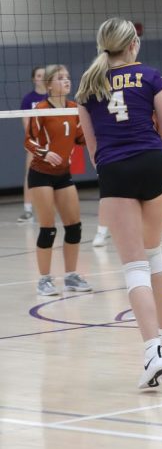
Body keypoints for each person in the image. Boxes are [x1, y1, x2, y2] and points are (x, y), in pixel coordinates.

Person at [75, 18, 162, 389]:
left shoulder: (87, 87)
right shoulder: (152, 76)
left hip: (116, 170)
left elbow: (92, 149)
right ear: (133, 45)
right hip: (154, 165)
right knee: (154, 255)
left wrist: (112, 173)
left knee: (134, 267)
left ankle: (152, 351)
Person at [24, 65, 91, 296]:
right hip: (41, 174)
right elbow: (29, 141)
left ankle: (71, 276)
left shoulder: (74, 108)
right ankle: (44, 279)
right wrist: (44, 152)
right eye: (60, 78)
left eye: (68, 77)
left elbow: (82, 137)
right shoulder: (41, 109)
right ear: (49, 84)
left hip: (63, 173)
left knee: (74, 226)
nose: (66, 81)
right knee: (48, 228)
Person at [18, 66, 48, 224]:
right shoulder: (28, 99)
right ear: (33, 78)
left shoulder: (53, 96)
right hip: (36, 143)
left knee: (57, 175)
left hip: (54, 143)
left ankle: (52, 208)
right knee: (30, 176)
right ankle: (28, 211)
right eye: (38, 75)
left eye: (44, 75)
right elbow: (26, 123)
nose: (42, 78)